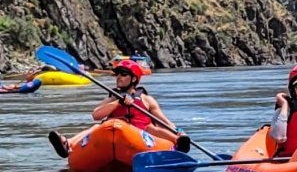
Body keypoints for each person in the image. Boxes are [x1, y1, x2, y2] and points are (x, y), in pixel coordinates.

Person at [49, 58, 191, 156]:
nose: (119, 77)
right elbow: (96, 115)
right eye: (117, 74)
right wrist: (118, 102)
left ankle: (177, 142)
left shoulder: (147, 100)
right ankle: (68, 144)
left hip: (141, 135)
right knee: (96, 127)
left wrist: (178, 131)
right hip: (115, 133)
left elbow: (163, 121)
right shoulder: (113, 97)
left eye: (123, 74)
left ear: (134, 79)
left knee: (152, 127)